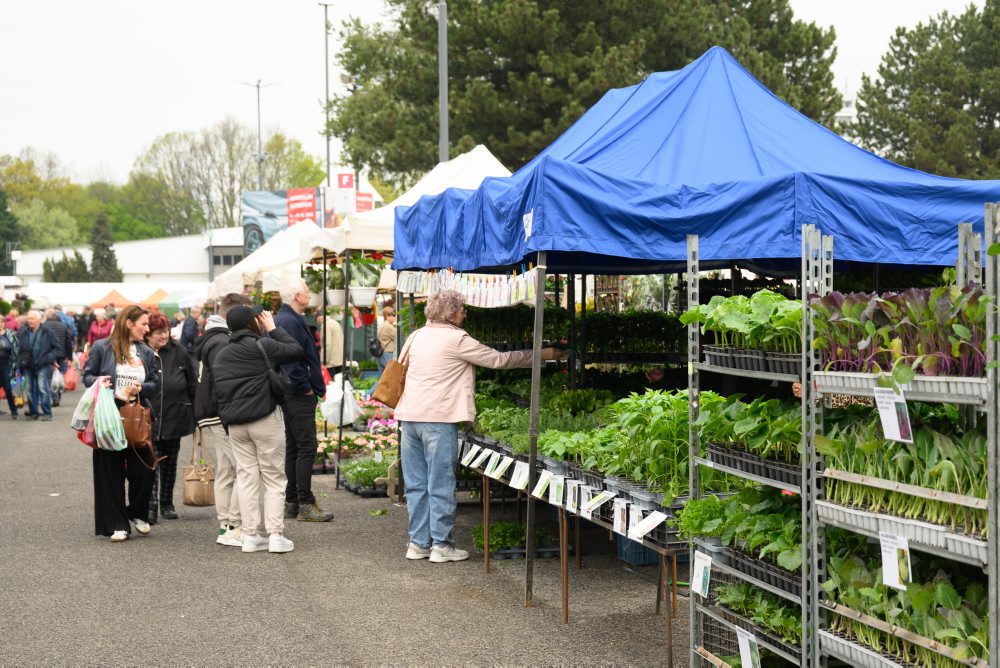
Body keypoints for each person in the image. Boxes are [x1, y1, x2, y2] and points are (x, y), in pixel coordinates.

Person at [394, 290, 563, 562]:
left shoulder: (416, 336)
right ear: (451, 313)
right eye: (462, 309)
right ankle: (442, 546)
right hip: (438, 419)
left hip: (409, 418)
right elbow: (498, 359)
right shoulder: (456, 338)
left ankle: (418, 544)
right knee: (440, 483)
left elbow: (399, 370)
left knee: (416, 485)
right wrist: (539, 354)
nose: (465, 313)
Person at [213, 305, 304, 554]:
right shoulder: (263, 345)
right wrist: (273, 329)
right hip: (264, 417)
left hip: (235, 424)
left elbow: (217, 393)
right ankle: (275, 535)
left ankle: (251, 535)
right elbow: (296, 350)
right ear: (253, 322)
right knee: (274, 476)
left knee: (246, 477)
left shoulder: (221, 354)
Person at [82, 305, 160, 542]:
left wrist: (141, 387)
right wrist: (99, 381)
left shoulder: (145, 352)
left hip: (137, 414)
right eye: (143, 324)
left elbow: (155, 384)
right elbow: (87, 376)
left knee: (145, 469)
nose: (147, 329)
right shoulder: (101, 347)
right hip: (108, 414)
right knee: (110, 471)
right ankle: (118, 524)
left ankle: (136, 512)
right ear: (129, 323)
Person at [194, 293, 252, 547]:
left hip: (211, 412)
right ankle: (234, 525)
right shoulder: (221, 341)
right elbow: (224, 381)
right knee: (243, 467)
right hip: (220, 413)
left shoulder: (212, 337)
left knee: (228, 470)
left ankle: (226, 524)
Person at [274, 279, 334, 522]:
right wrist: (306, 388)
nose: (309, 295)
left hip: (292, 392)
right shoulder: (289, 320)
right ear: (297, 295)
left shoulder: (286, 318)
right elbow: (292, 360)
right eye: (307, 291)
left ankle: (292, 501)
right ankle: (305, 503)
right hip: (297, 393)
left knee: (294, 446)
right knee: (306, 446)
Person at [144, 312, 196, 524]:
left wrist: (196, 414)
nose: (164, 336)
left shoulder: (178, 351)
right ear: (148, 334)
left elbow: (192, 382)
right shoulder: (141, 352)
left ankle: (166, 503)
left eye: (166, 331)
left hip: (176, 415)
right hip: (149, 417)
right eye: (159, 333)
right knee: (151, 463)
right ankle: (150, 505)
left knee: (170, 463)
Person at [17, 310, 58, 421]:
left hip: (42, 364)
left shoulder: (48, 332)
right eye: (29, 318)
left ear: (39, 320)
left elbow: (56, 348)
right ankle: (33, 412)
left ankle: (47, 413)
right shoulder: (23, 332)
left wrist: (49, 358)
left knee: (43, 389)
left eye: (33, 318)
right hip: (28, 366)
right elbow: (19, 349)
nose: (30, 321)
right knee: (29, 390)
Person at [42, 308, 73, 407]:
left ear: (47, 316)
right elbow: (68, 342)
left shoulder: (44, 326)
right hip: (62, 355)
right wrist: (70, 357)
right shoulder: (63, 325)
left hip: (49, 354)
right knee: (59, 376)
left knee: (50, 377)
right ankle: (57, 396)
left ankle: (54, 397)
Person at [0, 318, 19, 419]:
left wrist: (17, 366)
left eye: (2, 322)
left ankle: (14, 410)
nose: (0, 324)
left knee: (8, 389)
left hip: (7, 365)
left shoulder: (11, 334)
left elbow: (17, 349)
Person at [316, 312, 344, 378]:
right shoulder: (335, 323)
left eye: (316, 320)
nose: (317, 323)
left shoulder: (326, 325)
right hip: (339, 360)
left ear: (319, 318)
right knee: (338, 383)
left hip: (331, 362)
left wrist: (323, 360)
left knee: (330, 385)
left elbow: (327, 344)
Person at [375, 306, 397, 377]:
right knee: (391, 377)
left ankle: (375, 389)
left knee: (383, 379)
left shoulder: (382, 325)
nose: (395, 317)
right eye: (393, 315)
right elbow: (398, 338)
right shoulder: (389, 327)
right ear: (387, 316)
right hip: (387, 354)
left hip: (381, 354)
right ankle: (374, 389)